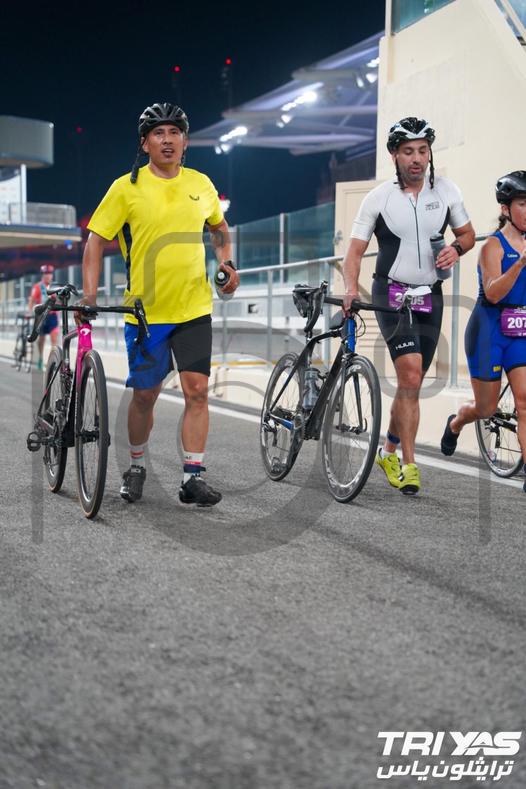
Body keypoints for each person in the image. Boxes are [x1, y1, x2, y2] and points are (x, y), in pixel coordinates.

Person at [79, 102, 239, 506]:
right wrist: (90, 294)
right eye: (158, 133)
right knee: (145, 396)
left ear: (185, 142)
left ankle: (192, 477)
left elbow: (219, 227)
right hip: (145, 315)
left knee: (197, 392)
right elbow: (95, 241)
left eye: (174, 132)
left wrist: (227, 264)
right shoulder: (125, 188)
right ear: (145, 143)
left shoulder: (200, 183)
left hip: (194, 309)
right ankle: (135, 467)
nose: (167, 140)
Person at [342, 117, 476, 495]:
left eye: (422, 151)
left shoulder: (447, 191)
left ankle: (387, 450)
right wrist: (350, 287)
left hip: (430, 294)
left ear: (429, 153)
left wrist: (456, 248)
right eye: (408, 152)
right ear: (394, 156)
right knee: (412, 376)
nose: (416, 159)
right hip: (391, 293)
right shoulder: (378, 198)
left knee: (410, 383)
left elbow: (467, 234)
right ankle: (409, 465)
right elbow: (354, 252)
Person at [440, 171, 526, 491]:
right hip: (488, 329)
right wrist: (521, 263)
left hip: (519, 328)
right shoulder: (493, 246)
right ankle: (456, 422)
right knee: (486, 408)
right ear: (505, 209)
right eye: (522, 203)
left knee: (525, 401)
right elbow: (493, 293)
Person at [27, 264, 60, 370]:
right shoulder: (37, 287)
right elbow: (32, 300)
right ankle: (41, 358)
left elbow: (59, 300)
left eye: (49, 273)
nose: (48, 275)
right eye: (46, 273)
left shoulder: (55, 287)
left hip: (52, 316)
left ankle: (52, 362)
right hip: (42, 316)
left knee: (54, 339)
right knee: (41, 340)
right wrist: (29, 312)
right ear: (42, 275)